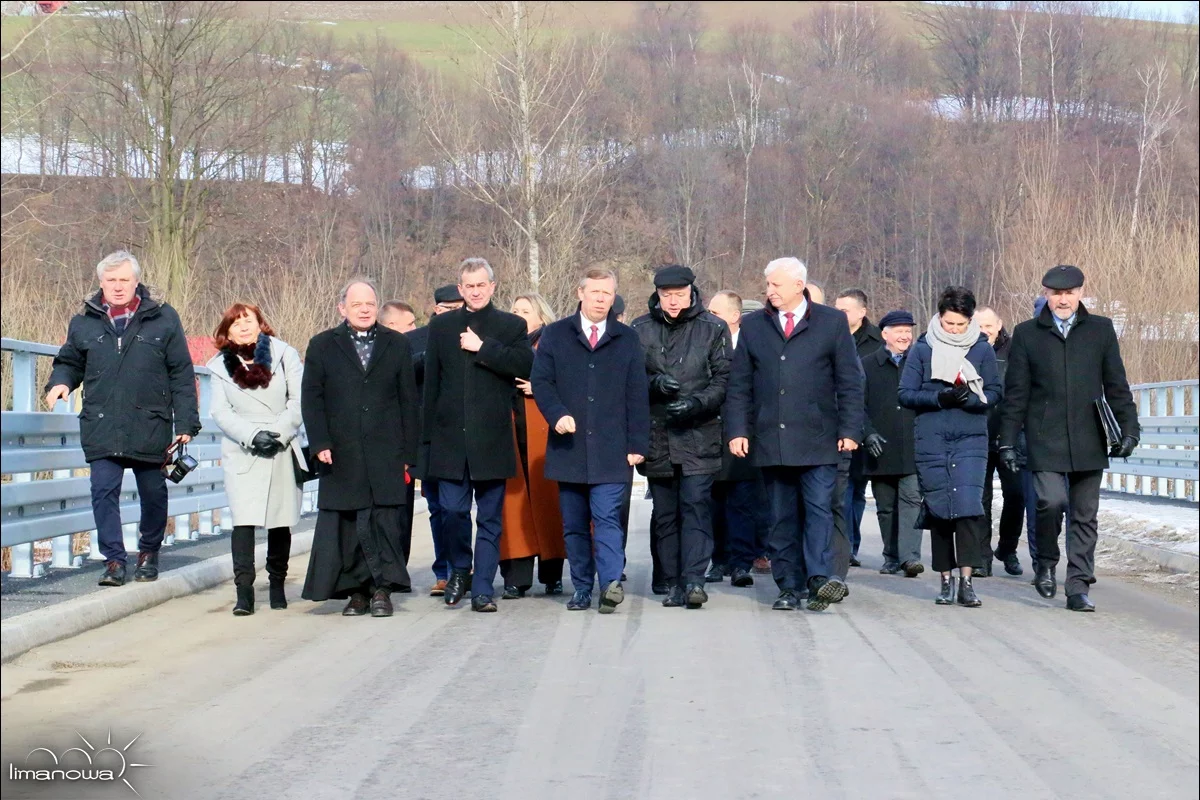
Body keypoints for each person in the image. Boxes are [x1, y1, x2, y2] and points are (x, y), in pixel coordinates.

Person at [45, 251, 200, 588]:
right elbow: (69, 361)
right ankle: (114, 560)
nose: (118, 287)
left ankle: (148, 553)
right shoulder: (84, 321)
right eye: (111, 280)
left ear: (136, 282)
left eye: (124, 280)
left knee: (154, 493)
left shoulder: (163, 318)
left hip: (150, 423)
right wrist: (60, 382)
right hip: (102, 422)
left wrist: (186, 424)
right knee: (103, 491)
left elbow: (181, 374)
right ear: (101, 283)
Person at [999, 265, 1139, 612]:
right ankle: (1046, 561)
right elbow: (1016, 394)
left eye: (1069, 292)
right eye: (1056, 293)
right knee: (1050, 502)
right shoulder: (1027, 334)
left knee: (1085, 515)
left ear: (1080, 293)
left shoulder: (1101, 330)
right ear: (1046, 294)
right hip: (1044, 436)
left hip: (1089, 434)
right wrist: (1006, 440)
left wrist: (1130, 429)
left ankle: (1078, 586)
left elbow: (1117, 385)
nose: (1063, 299)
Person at [726, 257, 863, 612]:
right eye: (768, 284)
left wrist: (850, 429)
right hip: (771, 438)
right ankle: (788, 585)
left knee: (819, 509)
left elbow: (850, 381)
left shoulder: (831, 322)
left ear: (799, 286)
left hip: (819, 438)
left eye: (776, 285)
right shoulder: (755, 326)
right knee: (780, 516)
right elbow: (739, 384)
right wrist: (738, 430)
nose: (769, 291)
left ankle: (818, 579)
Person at [531, 269, 651, 612]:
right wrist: (557, 415)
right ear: (580, 293)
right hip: (568, 447)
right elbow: (542, 382)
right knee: (574, 524)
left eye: (608, 293)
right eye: (595, 291)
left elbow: (637, 394)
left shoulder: (626, 339)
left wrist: (637, 444)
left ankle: (611, 582)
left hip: (613, 449)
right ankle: (582, 587)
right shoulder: (555, 335)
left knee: (608, 517)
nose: (601, 298)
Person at [300, 278, 420, 617]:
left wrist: (411, 455)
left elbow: (409, 402)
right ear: (343, 308)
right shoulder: (323, 345)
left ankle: (381, 590)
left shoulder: (396, 344)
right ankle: (356, 592)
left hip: (387, 449)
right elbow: (312, 398)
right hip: (342, 449)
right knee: (348, 524)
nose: (364, 309)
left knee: (385, 521)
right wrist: (320, 442)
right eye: (357, 304)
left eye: (369, 303)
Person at [423, 258, 535, 612]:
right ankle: (460, 569)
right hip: (450, 440)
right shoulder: (441, 327)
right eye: (468, 285)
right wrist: (425, 441)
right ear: (460, 289)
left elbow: (525, 365)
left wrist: (482, 348)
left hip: (492, 439)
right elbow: (432, 385)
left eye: (481, 284)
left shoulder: (511, 325)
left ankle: (484, 587)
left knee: (490, 518)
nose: (475, 291)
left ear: (492, 286)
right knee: (453, 512)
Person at [632, 264, 731, 609]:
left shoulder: (713, 328)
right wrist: (653, 384)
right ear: (657, 295)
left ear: (692, 292)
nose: (673, 302)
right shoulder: (640, 328)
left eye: (679, 295)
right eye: (666, 296)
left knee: (696, 507)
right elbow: (629, 380)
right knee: (665, 513)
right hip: (657, 435)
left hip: (699, 433)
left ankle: (693, 580)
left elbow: (723, 380)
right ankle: (672, 581)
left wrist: (696, 403)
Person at [899, 286, 1002, 607]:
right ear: (939, 318)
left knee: (969, 507)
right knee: (940, 507)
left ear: (970, 321)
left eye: (960, 324)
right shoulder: (922, 349)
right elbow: (905, 393)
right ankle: (945, 579)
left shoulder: (982, 350)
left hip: (971, 436)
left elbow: (996, 391)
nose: (954, 329)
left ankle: (968, 580)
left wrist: (973, 400)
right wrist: (938, 397)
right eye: (948, 323)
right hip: (932, 436)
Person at [207, 303, 304, 615]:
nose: (244, 327)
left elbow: (298, 399)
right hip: (242, 449)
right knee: (243, 521)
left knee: (280, 520)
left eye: (249, 320)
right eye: (236, 323)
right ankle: (244, 592)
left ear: (261, 323)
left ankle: (277, 584)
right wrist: (251, 436)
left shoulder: (285, 354)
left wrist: (277, 433)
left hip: (280, 444)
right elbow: (220, 412)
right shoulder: (218, 367)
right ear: (227, 331)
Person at [499, 292, 567, 598]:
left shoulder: (552, 343)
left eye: (525, 310)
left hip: (542, 427)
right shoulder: (501, 344)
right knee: (513, 507)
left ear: (541, 316)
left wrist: (538, 387)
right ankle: (517, 576)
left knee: (548, 502)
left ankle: (552, 574)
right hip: (509, 428)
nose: (518, 314)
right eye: (514, 309)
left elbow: (569, 383)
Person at [704, 290, 761, 588]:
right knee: (713, 503)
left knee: (742, 503)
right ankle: (719, 559)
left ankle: (741, 562)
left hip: (744, 435)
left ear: (735, 316)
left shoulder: (751, 345)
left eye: (715, 313)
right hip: (710, 434)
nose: (709, 317)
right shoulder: (703, 343)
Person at [861, 310, 924, 578]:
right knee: (886, 507)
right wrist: (868, 433)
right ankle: (890, 556)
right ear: (884, 334)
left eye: (908, 330)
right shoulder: (866, 365)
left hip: (913, 445)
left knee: (912, 500)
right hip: (881, 447)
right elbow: (857, 405)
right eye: (899, 330)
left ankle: (910, 558)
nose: (904, 335)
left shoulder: (920, 363)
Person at [410, 285, 464, 596]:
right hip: (429, 438)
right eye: (448, 309)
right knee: (438, 507)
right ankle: (444, 569)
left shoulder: (478, 336)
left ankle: (467, 566)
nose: (455, 313)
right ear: (436, 310)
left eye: (460, 307)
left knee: (464, 508)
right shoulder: (415, 340)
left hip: (468, 435)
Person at [834, 289, 883, 567]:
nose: (839, 314)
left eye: (845, 310)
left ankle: (851, 544)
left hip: (865, 426)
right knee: (842, 490)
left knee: (857, 490)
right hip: (836, 427)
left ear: (862, 312)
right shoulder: (829, 334)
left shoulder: (876, 342)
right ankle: (845, 546)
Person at [975, 306, 1026, 577]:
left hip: (1010, 435)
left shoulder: (1015, 351)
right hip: (978, 434)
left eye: (989, 326)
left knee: (1016, 496)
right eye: (979, 326)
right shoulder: (966, 351)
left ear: (999, 325)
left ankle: (1008, 548)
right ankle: (982, 556)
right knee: (980, 498)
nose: (985, 331)